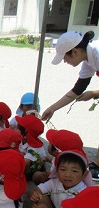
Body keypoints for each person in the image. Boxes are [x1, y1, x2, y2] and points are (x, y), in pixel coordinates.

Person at [40, 31, 99, 180]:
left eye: (65, 57)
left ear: (75, 51)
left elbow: (86, 90)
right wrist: (53, 108)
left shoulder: (97, 53)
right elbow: (78, 89)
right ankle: (97, 164)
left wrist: (94, 93)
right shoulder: (88, 60)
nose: (65, 61)